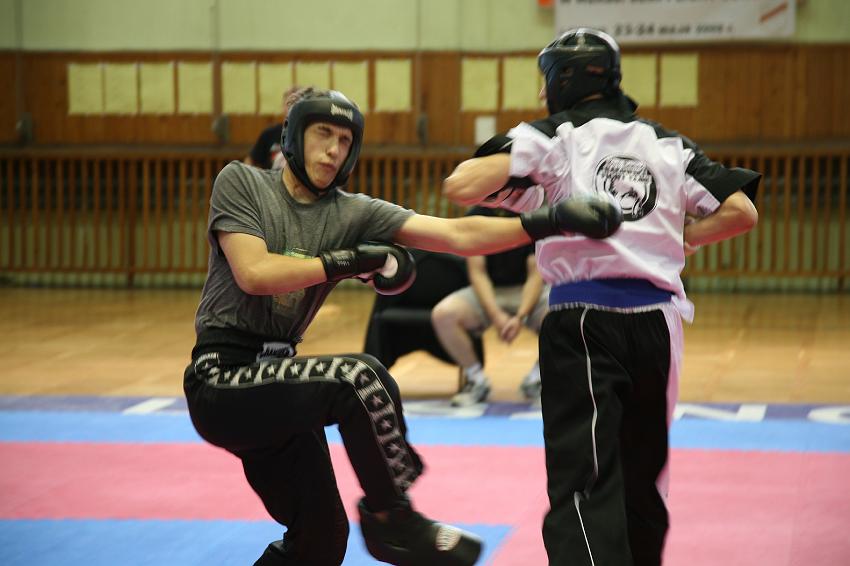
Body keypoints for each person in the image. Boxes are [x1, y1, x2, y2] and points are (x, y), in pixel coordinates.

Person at [183, 87, 621, 566]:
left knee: (321, 538)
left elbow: (457, 234)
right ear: (293, 136)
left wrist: (548, 221)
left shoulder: (350, 211)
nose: (333, 150)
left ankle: (387, 518)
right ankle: (393, 518)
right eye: (322, 134)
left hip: (278, 384)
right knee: (359, 378)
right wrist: (347, 261)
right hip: (222, 378)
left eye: (345, 140)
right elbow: (255, 273)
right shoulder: (243, 182)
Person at [442, 28, 760, 566]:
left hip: (584, 322)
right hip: (660, 325)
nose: (541, 93)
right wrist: (686, 238)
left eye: (545, 81)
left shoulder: (556, 136)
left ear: (561, 80)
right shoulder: (667, 143)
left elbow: (461, 185)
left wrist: (537, 169)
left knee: (584, 481)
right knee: (643, 476)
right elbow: (741, 211)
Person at [431, 205, 548, 407]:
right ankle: (476, 379)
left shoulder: (533, 214)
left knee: (562, 312)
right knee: (444, 315)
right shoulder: (477, 215)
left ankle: (538, 377)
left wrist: (521, 316)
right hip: (489, 291)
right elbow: (478, 272)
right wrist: (496, 315)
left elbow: (535, 275)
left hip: (526, 291)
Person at [244, 85, 302, 170]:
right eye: (288, 104)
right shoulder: (269, 134)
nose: (291, 109)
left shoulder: (307, 136)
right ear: (282, 107)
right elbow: (250, 161)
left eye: (296, 105)